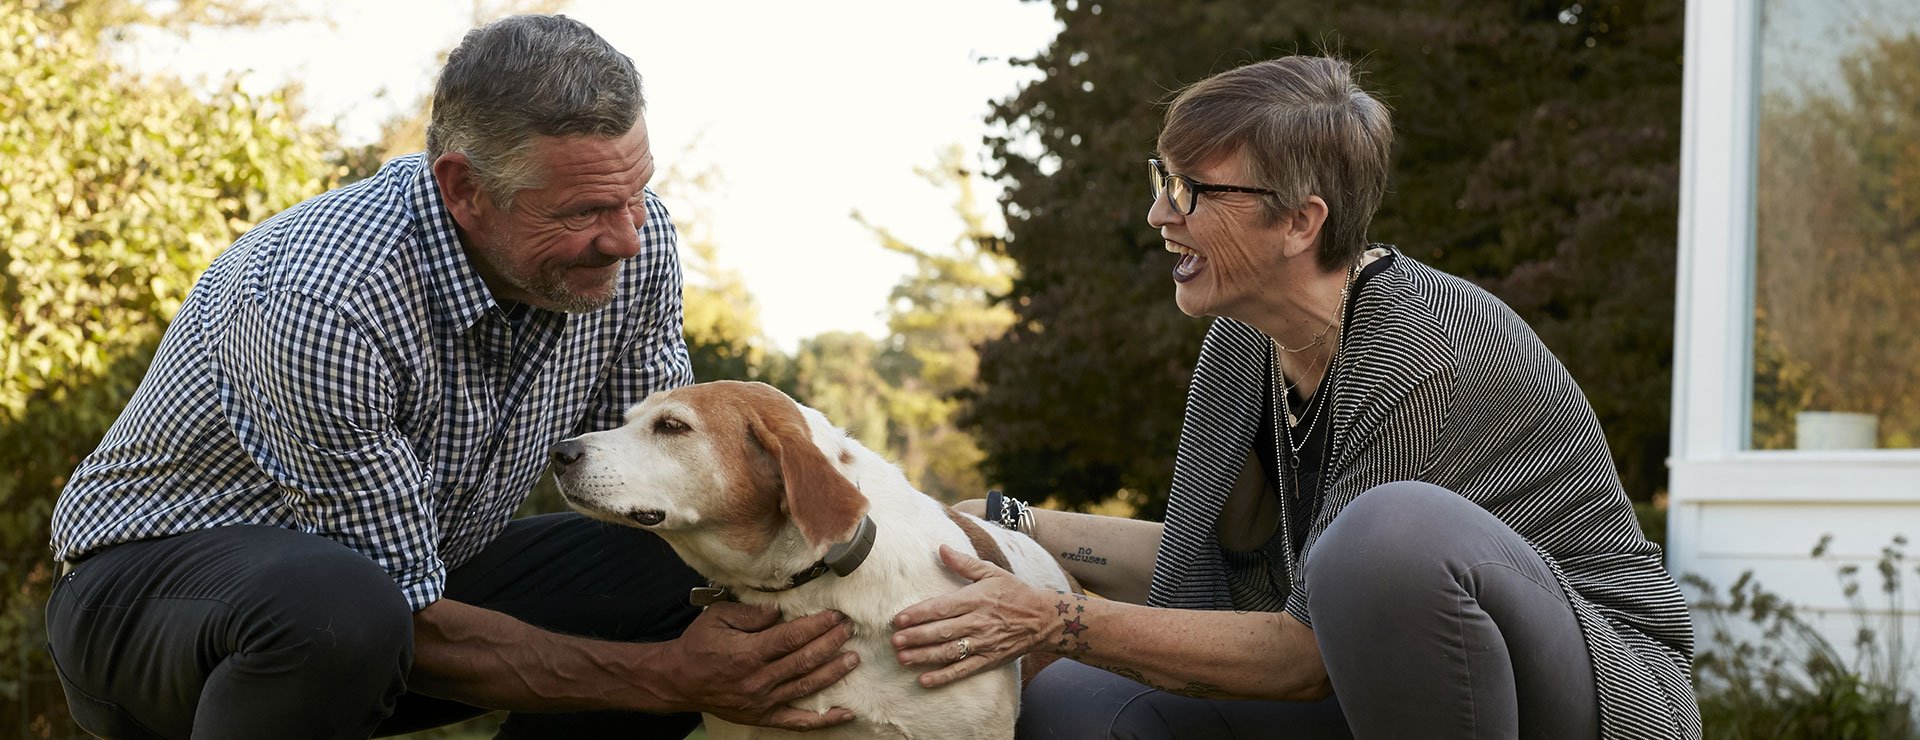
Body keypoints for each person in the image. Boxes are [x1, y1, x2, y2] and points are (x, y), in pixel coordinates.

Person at [45, 14, 857, 739]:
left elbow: (662, 480)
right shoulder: (326, 299)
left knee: (683, 561)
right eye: (580, 214)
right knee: (339, 611)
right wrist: (667, 679)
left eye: (636, 195)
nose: (627, 240)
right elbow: (395, 607)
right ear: (464, 189)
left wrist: (961, 550)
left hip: (405, 577)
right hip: (157, 612)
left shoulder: (628, 252)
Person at [891, 55, 1700, 739]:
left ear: (1299, 222)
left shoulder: (1422, 357)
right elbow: (1197, 564)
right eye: (1162, 180)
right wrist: (1006, 525)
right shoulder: (1245, 340)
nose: (1159, 214)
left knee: (1381, 540)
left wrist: (1057, 620)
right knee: (1078, 703)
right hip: (1368, 667)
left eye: (1192, 190)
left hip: (1590, 688)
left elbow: (1304, 652)